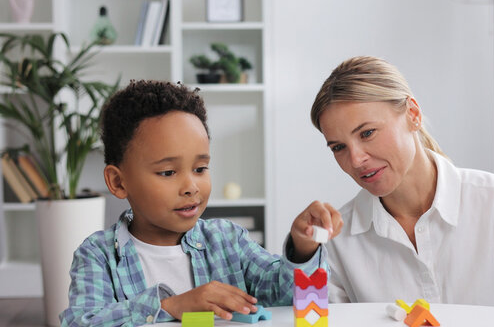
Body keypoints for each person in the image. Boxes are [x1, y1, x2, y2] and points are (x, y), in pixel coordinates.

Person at [310, 56, 494, 315]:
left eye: (367, 133)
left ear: (413, 114)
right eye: (338, 147)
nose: (356, 159)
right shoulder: (337, 239)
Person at [60, 80, 342, 326]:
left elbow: (282, 294)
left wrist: (303, 248)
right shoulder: (98, 255)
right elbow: (81, 322)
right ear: (118, 182)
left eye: (200, 168)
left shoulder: (227, 240)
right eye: (168, 172)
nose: (191, 187)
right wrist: (169, 305)